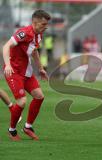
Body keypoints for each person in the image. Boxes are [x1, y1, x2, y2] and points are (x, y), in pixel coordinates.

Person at [2, 10, 51, 141]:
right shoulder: (23, 33)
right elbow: (6, 46)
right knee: (22, 101)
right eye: (43, 24)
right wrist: (7, 65)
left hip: (26, 72)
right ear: (34, 23)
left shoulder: (38, 35)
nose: (45, 27)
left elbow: (34, 51)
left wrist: (41, 68)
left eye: (46, 24)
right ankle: (12, 130)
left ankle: (28, 127)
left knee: (39, 96)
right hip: (14, 72)